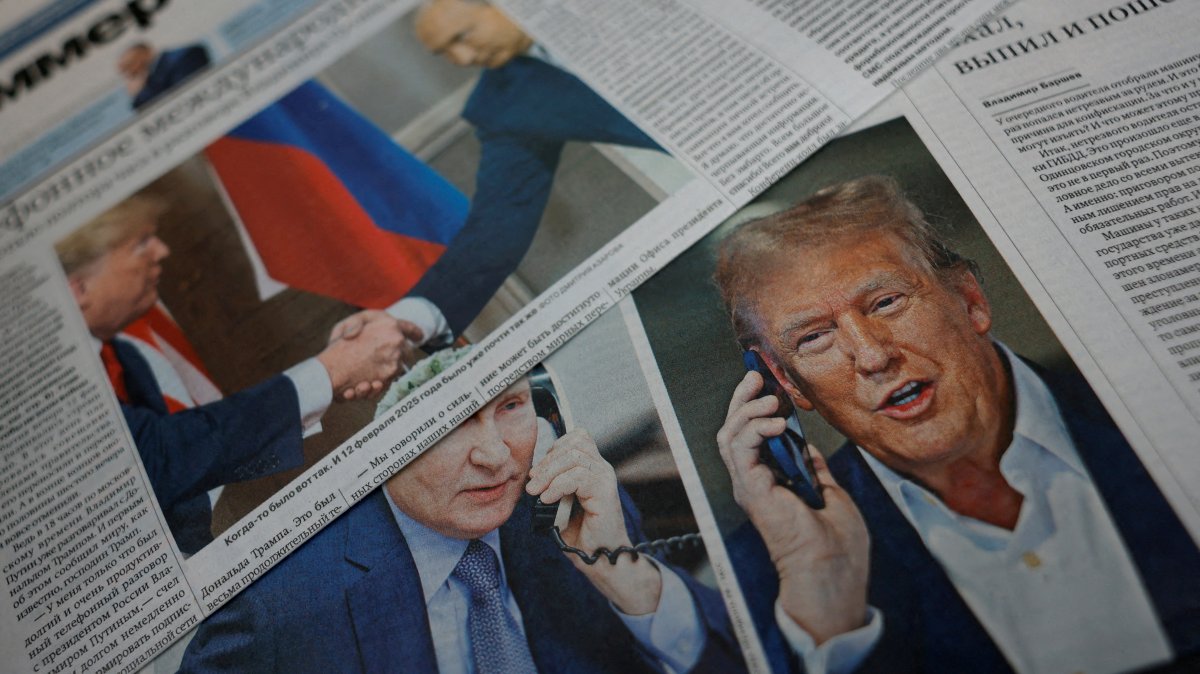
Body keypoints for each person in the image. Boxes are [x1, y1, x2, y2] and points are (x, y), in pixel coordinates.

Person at [712, 176, 1200, 674]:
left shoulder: (1166, 400)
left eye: (886, 303)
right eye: (815, 337)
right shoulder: (770, 576)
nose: (873, 355)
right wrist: (833, 614)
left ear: (970, 301)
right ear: (787, 385)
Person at [179, 352, 745, 673]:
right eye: (448, 425)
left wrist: (626, 577)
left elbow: (736, 658)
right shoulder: (276, 603)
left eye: (511, 406)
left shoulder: (576, 511)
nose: (498, 456)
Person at [56, 195, 409, 554]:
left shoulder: (124, 355)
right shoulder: (55, 391)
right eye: (140, 243)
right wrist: (333, 370)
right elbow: (162, 457)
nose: (161, 250)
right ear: (78, 289)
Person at [343, 0, 664, 339]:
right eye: (445, 52)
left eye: (462, 36)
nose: (464, 59)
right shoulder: (501, 106)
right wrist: (408, 319)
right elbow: (497, 227)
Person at [118, 42, 211, 110]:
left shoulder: (184, 56)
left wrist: (140, 94)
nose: (130, 73)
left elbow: (181, 98)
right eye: (124, 71)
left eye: (129, 65)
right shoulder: (150, 81)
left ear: (144, 53)